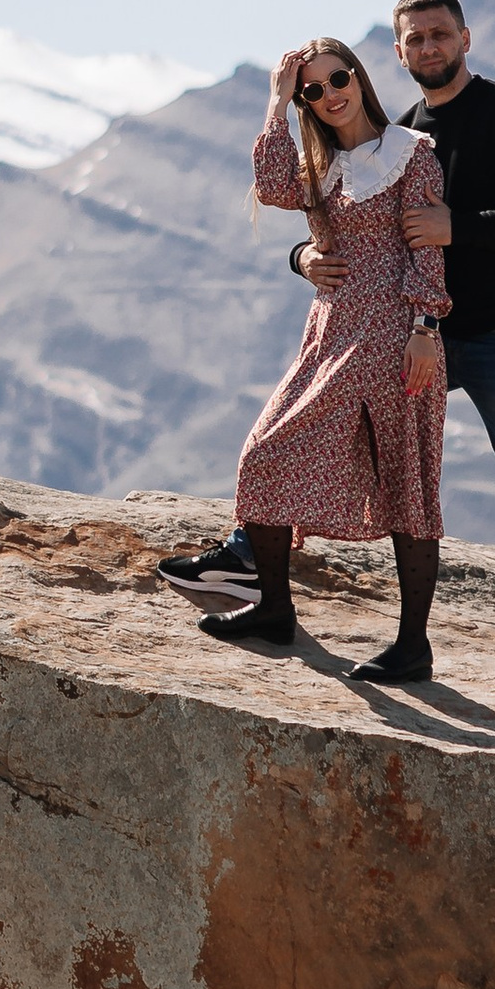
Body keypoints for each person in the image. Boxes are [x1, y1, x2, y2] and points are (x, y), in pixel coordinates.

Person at [171, 0, 495, 705]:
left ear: (464, 36)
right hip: (395, 334)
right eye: (414, 39)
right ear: (396, 55)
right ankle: (258, 561)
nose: (428, 48)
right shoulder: (393, 133)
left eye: (438, 34)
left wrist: (458, 230)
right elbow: (344, 221)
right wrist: (302, 254)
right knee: (299, 440)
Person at [160, 38, 450, 687]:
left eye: (336, 78)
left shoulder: (410, 155)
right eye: (311, 90)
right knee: (265, 454)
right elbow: (270, 187)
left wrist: (428, 324)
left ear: (360, 75)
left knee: (407, 484)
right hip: (330, 334)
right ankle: (274, 608)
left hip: (395, 335)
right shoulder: (328, 165)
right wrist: (275, 106)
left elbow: (427, 248)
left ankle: (412, 646)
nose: (328, 95)